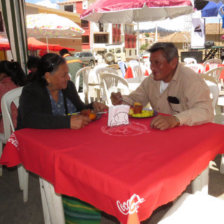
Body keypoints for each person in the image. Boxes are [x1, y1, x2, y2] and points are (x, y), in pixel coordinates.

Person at [17, 53, 107, 224]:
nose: (68, 77)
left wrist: (92, 107)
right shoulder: (31, 91)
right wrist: (67, 122)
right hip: (40, 145)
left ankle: (93, 195)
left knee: (96, 157)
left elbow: (80, 108)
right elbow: (30, 119)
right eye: (63, 74)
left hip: (68, 140)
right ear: (48, 76)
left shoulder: (68, 86)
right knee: (78, 168)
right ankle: (78, 208)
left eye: (68, 74)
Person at [111, 42, 214, 130]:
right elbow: (136, 100)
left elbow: (205, 111)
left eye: (157, 63)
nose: (152, 68)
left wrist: (176, 119)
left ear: (173, 63)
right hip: (161, 132)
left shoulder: (190, 80)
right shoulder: (151, 80)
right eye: (151, 63)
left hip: (189, 136)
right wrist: (121, 100)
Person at [0, 60, 26, 133]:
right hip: (26, 125)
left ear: (2, 74)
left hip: (10, 128)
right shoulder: (20, 82)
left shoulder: (1, 86)